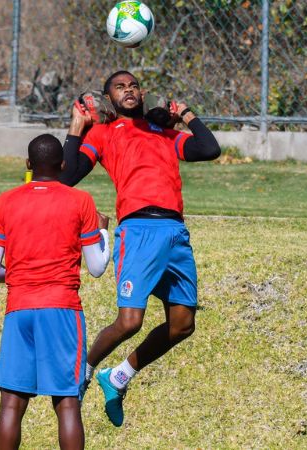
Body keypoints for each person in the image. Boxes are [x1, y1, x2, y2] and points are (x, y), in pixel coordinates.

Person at [60, 71, 221, 427]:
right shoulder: (102, 133)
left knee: (182, 325)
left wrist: (187, 113)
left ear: (142, 93)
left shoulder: (162, 132)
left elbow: (209, 149)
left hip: (176, 233)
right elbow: (66, 177)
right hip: (139, 230)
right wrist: (76, 127)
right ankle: (82, 374)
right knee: (130, 321)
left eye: (133, 85)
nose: (128, 90)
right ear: (109, 98)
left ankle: (117, 377)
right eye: (120, 87)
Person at [0, 134, 111, 450]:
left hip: (18, 309)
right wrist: (105, 232)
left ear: (28, 164)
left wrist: (19, 278)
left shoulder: (5, 201)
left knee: (11, 403)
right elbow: (96, 267)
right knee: (66, 402)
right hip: (62, 310)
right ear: (63, 165)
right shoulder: (80, 201)